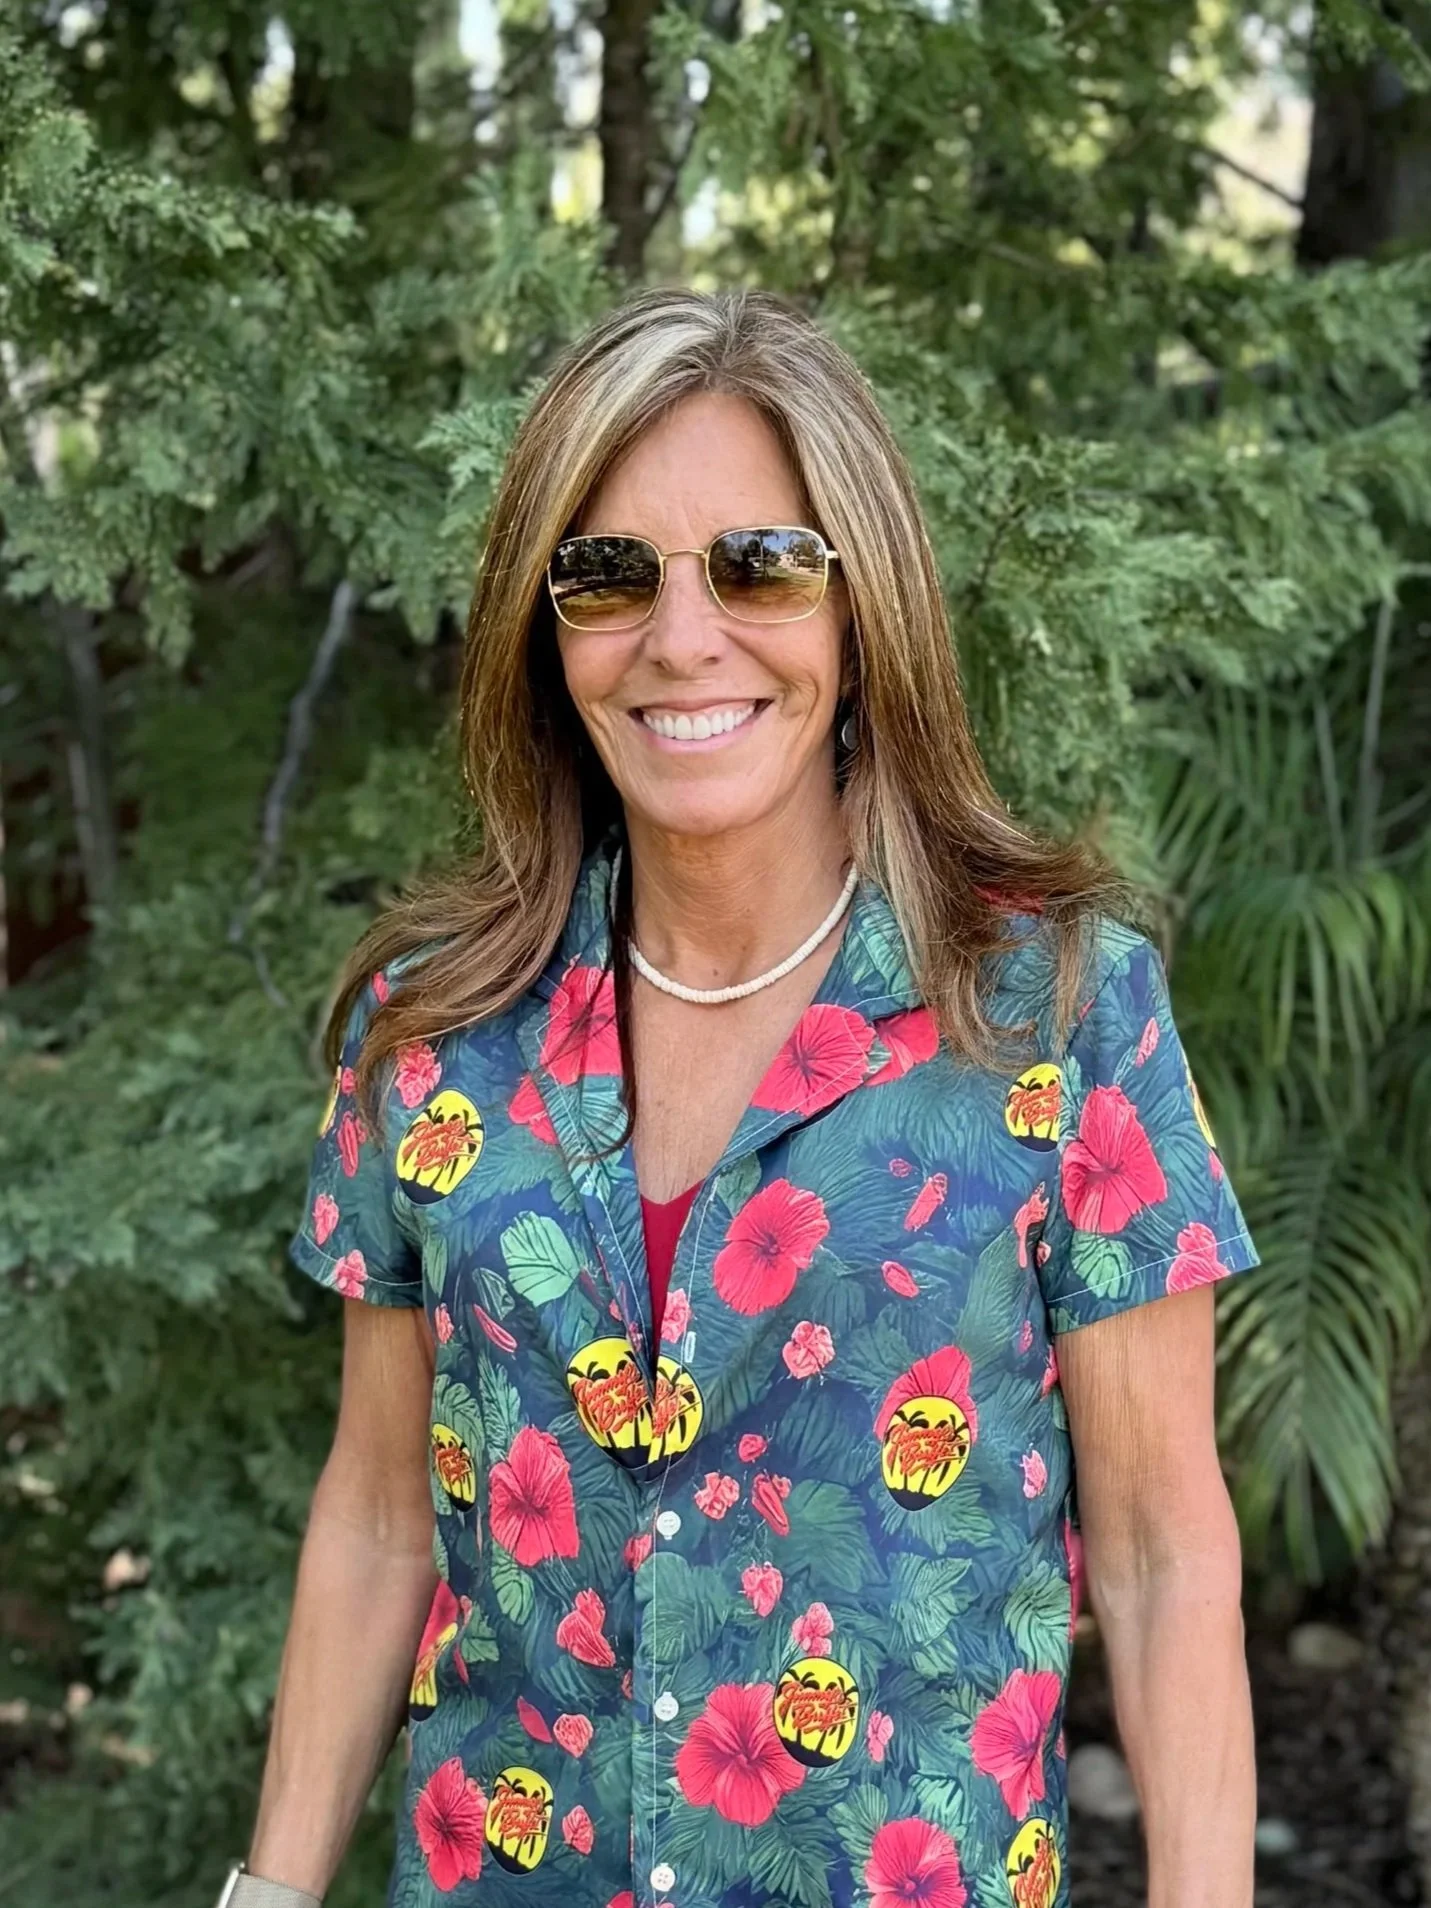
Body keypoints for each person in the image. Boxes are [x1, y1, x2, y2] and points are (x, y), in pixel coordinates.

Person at [218, 287, 1258, 1908]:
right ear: (543, 626)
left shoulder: (1056, 1011)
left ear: (863, 611)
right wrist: (267, 1897)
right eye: (607, 573)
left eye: (761, 565)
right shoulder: (430, 1032)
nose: (681, 636)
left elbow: (1160, 1552)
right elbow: (371, 1516)